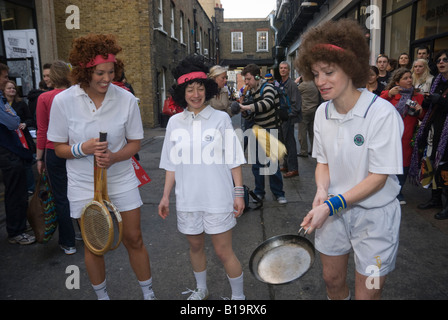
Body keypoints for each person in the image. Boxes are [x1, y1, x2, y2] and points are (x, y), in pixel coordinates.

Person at [296, 19, 403, 300]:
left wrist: (331, 204)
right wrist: (322, 191)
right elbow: (323, 162)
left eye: (329, 72)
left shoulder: (382, 114)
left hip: (375, 217)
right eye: (316, 73)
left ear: (351, 67)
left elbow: (379, 177)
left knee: (367, 294)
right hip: (333, 213)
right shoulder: (322, 113)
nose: (320, 81)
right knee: (331, 280)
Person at [47, 34, 155, 300]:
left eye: (111, 72)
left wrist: (115, 157)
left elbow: (135, 143)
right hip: (83, 183)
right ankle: (102, 297)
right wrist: (81, 149)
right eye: (99, 73)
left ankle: (149, 294)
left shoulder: (126, 99)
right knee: (95, 245)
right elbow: (58, 147)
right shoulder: (63, 101)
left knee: (134, 238)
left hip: (120, 177)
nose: (107, 79)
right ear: (85, 71)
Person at [158, 54, 246, 300]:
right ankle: (202, 289)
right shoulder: (175, 123)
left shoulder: (220, 119)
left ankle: (239, 297)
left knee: (223, 251)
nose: (195, 95)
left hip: (218, 198)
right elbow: (171, 163)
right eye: (189, 90)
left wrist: (238, 192)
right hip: (188, 198)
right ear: (182, 93)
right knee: (195, 246)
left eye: (199, 89)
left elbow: (234, 158)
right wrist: (165, 196)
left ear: (206, 90)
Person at [36, 60, 77, 255]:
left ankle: (68, 242)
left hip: (54, 151)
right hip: (77, 149)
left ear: (53, 77)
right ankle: (86, 233)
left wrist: (39, 159)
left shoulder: (45, 98)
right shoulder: (77, 96)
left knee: (61, 197)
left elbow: (42, 130)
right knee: (79, 193)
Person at [239, 63, 287, 204]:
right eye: (245, 79)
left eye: (248, 79)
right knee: (257, 165)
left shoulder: (268, 87)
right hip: (257, 130)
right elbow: (252, 116)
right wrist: (245, 113)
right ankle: (259, 193)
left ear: (257, 77)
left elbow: (267, 103)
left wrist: (247, 106)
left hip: (271, 130)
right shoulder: (251, 91)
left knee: (273, 165)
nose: (246, 82)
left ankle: (279, 194)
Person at [409, 50, 448, 220]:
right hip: (434, 128)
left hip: (446, 133)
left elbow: (442, 103)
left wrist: (441, 100)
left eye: (445, 60)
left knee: (445, 169)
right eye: (439, 60)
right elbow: (432, 105)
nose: (441, 62)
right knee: (431, 164)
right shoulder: (437, 81)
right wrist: (427, 100)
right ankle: (435, 199)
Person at [0, 63, 35, 245]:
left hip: (13, 151)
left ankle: (19, 226)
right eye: (5, 77)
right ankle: (16, 231)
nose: (8, 80)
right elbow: (13, 121)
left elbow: (14, 118)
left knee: (19, 191)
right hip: (8, 153)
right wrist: (13, 118)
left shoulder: (3, 99)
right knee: (15, 192)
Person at [381, 68, 425, 204]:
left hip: (407, 136)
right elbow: (376, 105)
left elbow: (423, 117)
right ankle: (384, 189)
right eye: (405, 78)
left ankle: (398, 191)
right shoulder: (389, 95)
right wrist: (389, 93)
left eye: (410, 77)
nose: (409, 80)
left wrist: (420, 110)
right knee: (388, 162)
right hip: (389, 135)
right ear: (397, 81)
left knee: (404, 164)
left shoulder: (418, 97)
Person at [4, 80, 36, 195]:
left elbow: (30, 119)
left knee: (26, 164)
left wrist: (25, 124)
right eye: (9, 88)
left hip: (23, 138)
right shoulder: (2, 105)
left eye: (13, 88)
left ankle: (30, 187)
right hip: (9, 139)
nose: (12, 90)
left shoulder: (21, 103)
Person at [279, 61, 301, 178]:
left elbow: (296, 103)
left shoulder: (291, 84)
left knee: (290, 143)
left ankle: (293, 168)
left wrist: (289, 114)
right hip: (282, 118)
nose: (283, 70)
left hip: (288, 118)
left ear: (288, 70)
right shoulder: (281, 83)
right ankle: (286, 164)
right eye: (281, 68)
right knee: (284, 142)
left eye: (285, 68)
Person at [297, 76, 320, 157]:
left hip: (304, 111)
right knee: (312, 132)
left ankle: (304, 151)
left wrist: (296, 82)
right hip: (314, 110)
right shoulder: (314, 84)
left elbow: (293, 91)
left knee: (302, 133)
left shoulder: (303, 85)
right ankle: (314, 150)